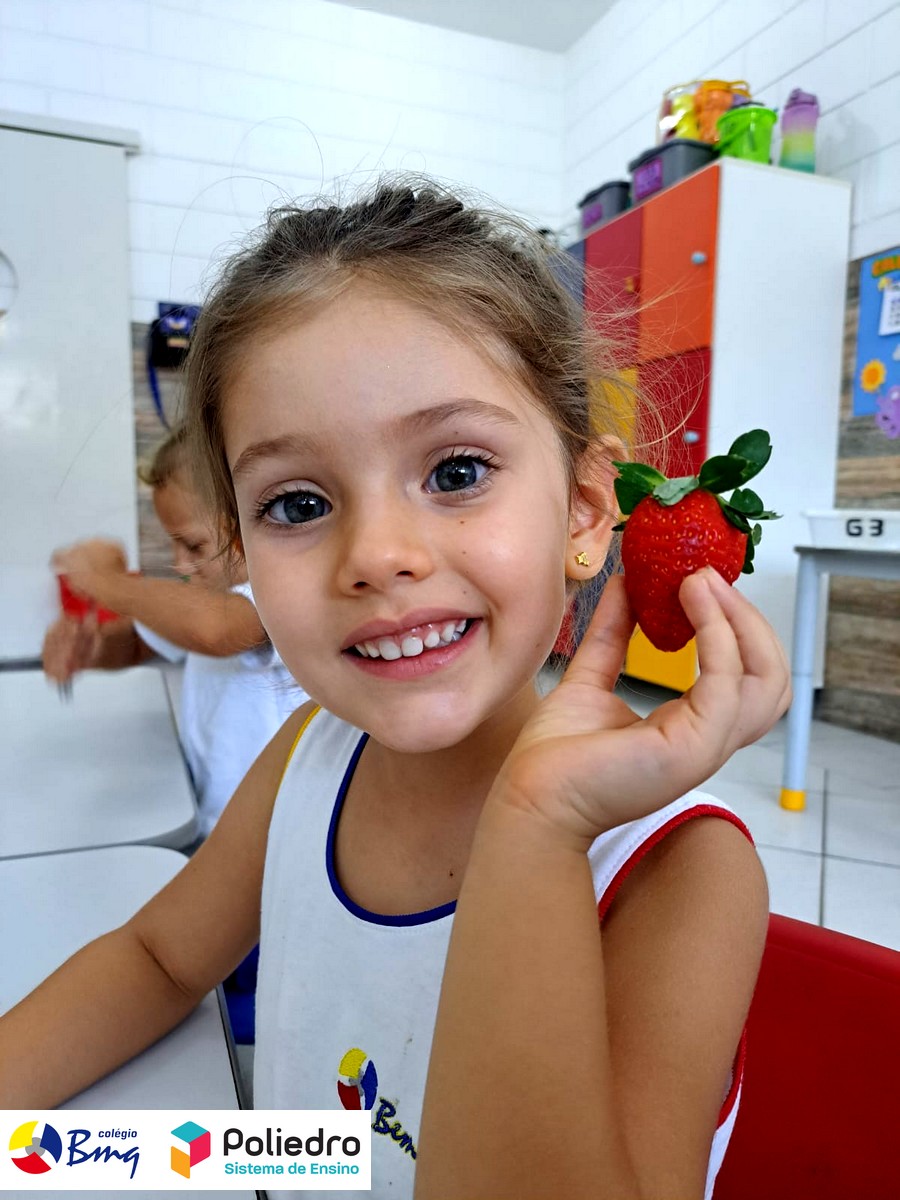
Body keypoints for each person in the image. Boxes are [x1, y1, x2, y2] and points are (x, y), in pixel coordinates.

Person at [2, 180, 790, 1199]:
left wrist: (539, 828)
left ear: (586, 512)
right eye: (297, 503)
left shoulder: (680, 870)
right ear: (241, 552)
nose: (376, 555)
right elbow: (158, 959)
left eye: (456, 472)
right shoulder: (307, 757)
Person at [41, 425, 307, 839]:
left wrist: (106, 581)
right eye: (174, 545)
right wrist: (93, 648)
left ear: (249, 528)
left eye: (194, 546)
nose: (180, 565)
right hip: (216, 818)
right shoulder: (204, 601)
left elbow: (216, 631)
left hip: (278, 832)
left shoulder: (279, 597)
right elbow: (137, 643)